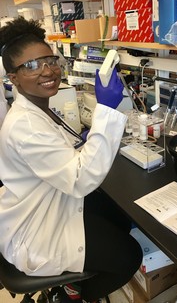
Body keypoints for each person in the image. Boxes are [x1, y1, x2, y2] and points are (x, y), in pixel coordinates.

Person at [0, 17, 142, 303]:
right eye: (31, 66)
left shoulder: (37, 108)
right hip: (37, 228)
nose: (47, 70)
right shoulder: (25, 124)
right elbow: (79, 180)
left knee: (120, 217)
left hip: (51, 201)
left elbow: (60, 157)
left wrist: (91, 136)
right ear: (13, 78)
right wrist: (104, 111)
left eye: (50, 60)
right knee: (129, 256)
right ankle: (70, 295)